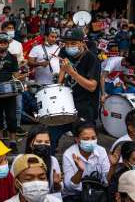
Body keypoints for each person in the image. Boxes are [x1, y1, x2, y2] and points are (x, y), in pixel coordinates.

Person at [49, 28, 101, 156]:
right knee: (50, 136)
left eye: (73, 43)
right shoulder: (67, 55)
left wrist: (71, 71)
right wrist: (59, 83)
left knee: (84, 143)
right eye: (66, 43)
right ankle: (50, 165)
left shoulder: (91, 58)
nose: (69, 46)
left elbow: (92, 86)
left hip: (84, 110)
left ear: (82, 43)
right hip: (66, 108)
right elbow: (62, 75)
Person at [62, 121, 120, 201]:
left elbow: (108, 181)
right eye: (86, 139)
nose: (91, 141)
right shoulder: (69, 154)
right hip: (75, 195)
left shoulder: (101, 151)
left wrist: (113, 166)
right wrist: (80, 171)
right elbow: (69, 186)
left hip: (97, 192)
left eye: (93, 138)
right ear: (77, 140)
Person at [10, 126, 63, 199]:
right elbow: (12, 187)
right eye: (39, 142)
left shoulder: (53, 161)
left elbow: (56, 190)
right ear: (30, 144)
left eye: (47, 142)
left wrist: (56, 183)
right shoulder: (20, 159)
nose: (43, 145)